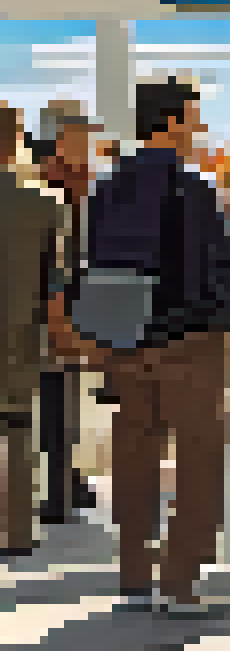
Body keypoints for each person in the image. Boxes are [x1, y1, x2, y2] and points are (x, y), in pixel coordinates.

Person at [75, 78, 230, 617]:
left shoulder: (108, 184)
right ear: (170, 123)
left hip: (125, 339)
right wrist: (221, 322)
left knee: (135, 456)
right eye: (193, 118)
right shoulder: (193, 185)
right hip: (189, 342)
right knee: (197, 460)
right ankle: (180, 581)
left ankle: (133, 574)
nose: (198, 130)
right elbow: (213, 267)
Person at [33, 102, 100, 525]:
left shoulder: (83, 180)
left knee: (65, 394)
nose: (88, 145)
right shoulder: (43, 181)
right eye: (80, 135)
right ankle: (57, 485)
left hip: (74, 295)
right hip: (48, 298)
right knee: (52, 392)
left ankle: (66, 477)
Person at [0, 108, 63, 557]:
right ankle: (18, 529)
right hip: (21, 333)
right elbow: (56, 281)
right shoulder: (44, 200)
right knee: (19, 428)